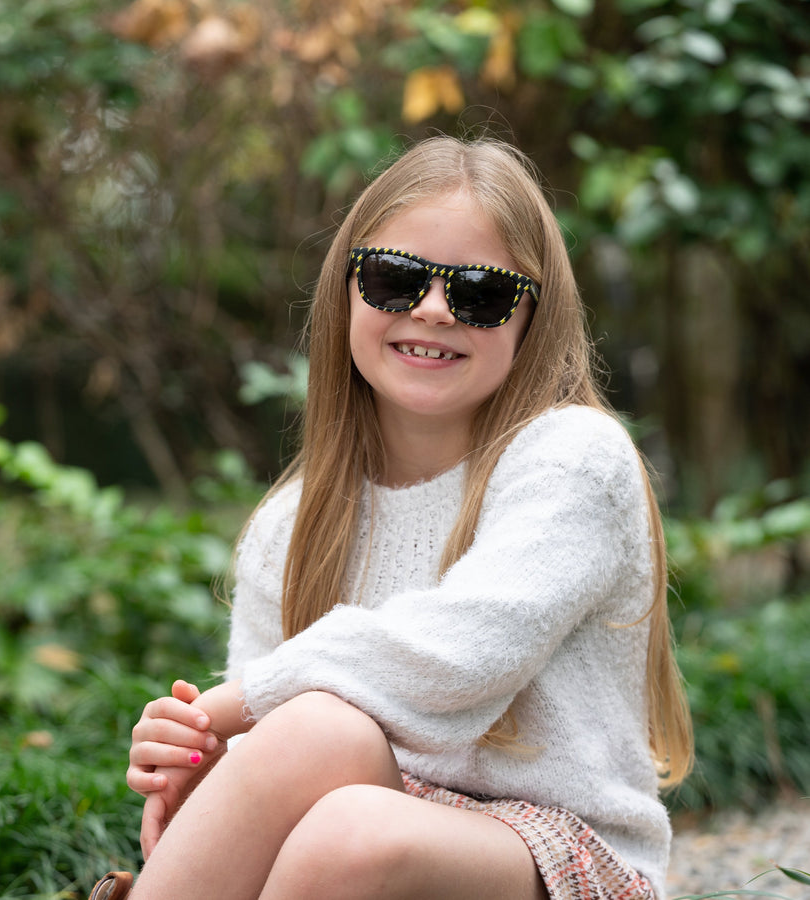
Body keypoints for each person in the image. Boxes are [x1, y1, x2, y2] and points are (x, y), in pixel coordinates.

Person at [105, 136, 694, 900]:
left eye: (481, 293)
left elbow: (461, 655)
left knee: (348, 821)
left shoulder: (573, 459)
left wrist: (228, 708)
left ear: (532, 318)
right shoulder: (293, 523)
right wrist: (203, 760)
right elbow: (270, 743)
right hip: (360, 823)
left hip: (562, 856)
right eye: (395, 278)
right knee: (322, 747)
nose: (434, 309)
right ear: (346, 290)